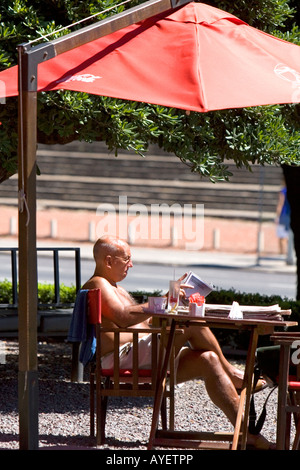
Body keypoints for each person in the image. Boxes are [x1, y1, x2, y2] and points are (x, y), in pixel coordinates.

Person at [82, 235, 274, 450]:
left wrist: (169, 299)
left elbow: (143, 324)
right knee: (191, 323)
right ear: (108, 261)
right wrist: (162, 302)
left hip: (139, 352)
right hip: (121, 359)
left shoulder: (114, 287)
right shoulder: (97, 284)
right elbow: (124, 318)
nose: (131, 264)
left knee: (208, 359)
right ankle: (235, 376)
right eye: (126, 259)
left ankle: (248, 436)